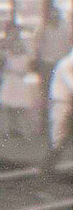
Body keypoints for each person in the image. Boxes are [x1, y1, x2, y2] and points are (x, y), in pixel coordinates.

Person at [0, 23, 32, 138]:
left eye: (15, 32)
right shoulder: (4, 46)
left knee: (19, 107)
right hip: (9, 78)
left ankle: (21, 130)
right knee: (7, 106)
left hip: (18, 79)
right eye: (11, 32)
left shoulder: (22, 46)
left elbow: (25, 62)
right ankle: (9, 129)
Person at [41, 46, 73, 175]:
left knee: (63, 136)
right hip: (61, 103)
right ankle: (47, 168)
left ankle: (49, 167)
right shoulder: (66, 64)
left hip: (68, 103)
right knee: (58, 135)